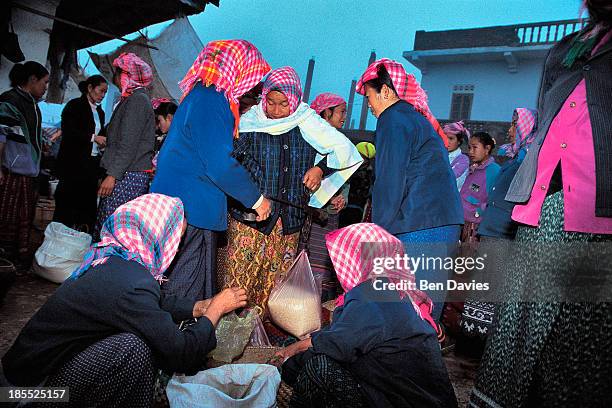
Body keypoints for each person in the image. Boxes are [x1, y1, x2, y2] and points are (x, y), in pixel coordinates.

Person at [470, 2, 612, 406]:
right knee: (520, 320)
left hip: (599, 213)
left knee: (577, 334)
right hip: (545, 204)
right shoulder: (567, 49)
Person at [1, 193, 248, 407]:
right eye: (177, 238)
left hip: (18, 380)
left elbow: (146, 305)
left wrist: (196, 307)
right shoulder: (133, 282)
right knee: (135, 349)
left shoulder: (111, 260)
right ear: (156, 236)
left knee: (136, 338)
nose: (177, 248)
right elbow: (181, 353)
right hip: (29, 393)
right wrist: (214, 311)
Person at [223, 67, 362, 315]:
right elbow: (230, 165)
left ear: (295, 101)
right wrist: (252, 198)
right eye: (271, 103)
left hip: (289, 223)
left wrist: (319, 169)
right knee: (240, 286)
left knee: (274, 290)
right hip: (251, 221)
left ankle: (260, 345)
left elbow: (340, 151)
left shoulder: (307, 123)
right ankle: (229, 339)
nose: (276, 111)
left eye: (284, 104)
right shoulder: (248, 124)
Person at [276, 223, 458, 408]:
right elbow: (345, 334)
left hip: (405, 401)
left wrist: (284, 369)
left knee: (319, 366)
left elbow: (337, 346)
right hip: (416, 397)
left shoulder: (370, 295)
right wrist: (298, 346)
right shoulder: (393, 289)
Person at [151, 40, 273, 301]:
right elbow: (219, 164)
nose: (252, 86)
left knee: (179, 279)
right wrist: (257, 200)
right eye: (250, 76)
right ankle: (179, 338)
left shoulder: (200, 95)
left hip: (182, 202)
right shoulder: (213, 100)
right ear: (237, 69)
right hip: (193, 206)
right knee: (186, 287)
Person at [356, 58, 463, 321]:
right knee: (426, 306)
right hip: (442, 223)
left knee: (408, 310)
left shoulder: (392, 118)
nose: (368, 105)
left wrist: (378, 235)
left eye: (369, 96)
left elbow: (390, 182)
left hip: (419, 225)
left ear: (386, 91)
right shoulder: (414, 118)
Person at [458, 108, 537, 355]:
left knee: (487, 291)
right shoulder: (515, 158)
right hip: (492, 231)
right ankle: (471, 346)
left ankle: (478, 351)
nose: (510, 129)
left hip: (502, 233)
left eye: (515, 124)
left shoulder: (528, 159)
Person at [95, 53, 156, 241]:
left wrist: (113, 175)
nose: (115, 79)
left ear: (126, 75)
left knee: (113, 228)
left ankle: (106, 267)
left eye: (117, 74)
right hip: (126, 172)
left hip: (128, 175)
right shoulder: (132, 99)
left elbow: (128, 143)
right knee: (111, 225)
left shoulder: (137, 101)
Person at [0, 61, 49, 269]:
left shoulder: (33, 105)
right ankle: (4, 259)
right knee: (6, 217)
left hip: (27, 173)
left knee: (22, 218)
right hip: (11, 172)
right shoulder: (10, 102)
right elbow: (1, 136)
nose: (46, 87)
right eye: (45, 82)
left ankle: (15, 261)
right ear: (32, 80)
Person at [303, 92, 349, 300]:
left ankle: (311, 313)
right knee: (305, 263)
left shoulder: (340, 142)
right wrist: (327, 195)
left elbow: (344, 177)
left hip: (330, 216)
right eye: (340, 112)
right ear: (326, 113)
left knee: (322, 266)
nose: (344, 116)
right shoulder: (311, 140)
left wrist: (342, 197)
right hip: (312, 215)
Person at [54, 75, 108, 233]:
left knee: (86, 207)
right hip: (73, 164)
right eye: (101, 91)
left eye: (105, 92)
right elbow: (69, 131)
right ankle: (58, 240)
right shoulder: (75, 106)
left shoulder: (100, 112)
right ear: (90, 88)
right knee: (67, 205)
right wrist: (93, 138)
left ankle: (79, 241)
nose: (103, 95)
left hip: (90, 165)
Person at [459, 132, 500, 246]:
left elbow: (492, 201)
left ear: (487, 148)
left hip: (475, 229)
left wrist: (478, 213)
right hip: (463, 224)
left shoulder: (494, 171)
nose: (470, 152)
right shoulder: (474, 169)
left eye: (475, 148)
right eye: (469, 148)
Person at [444, 121, 470, 191]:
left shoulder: (463, 160)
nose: (447, 142)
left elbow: (447, 178)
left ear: (459, 141)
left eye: (451, 138)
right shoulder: (439, 155)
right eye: (444, 138)